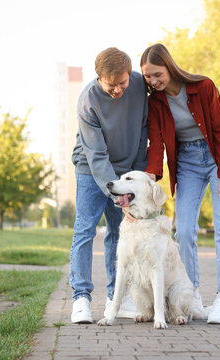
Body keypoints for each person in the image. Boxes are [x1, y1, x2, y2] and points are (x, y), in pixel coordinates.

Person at [140, 43, 220, 324]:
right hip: (186, 163)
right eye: (148, 77)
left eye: (157, 74)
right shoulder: (155, 102)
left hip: (215, 160)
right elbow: (156, 142)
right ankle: (194, 297)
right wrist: (151, 175)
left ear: (169, 67)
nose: (153, 81)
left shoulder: (203, 87)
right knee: (184, 230)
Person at [69, 47, 148, 324]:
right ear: (99, 78)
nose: (117, 90)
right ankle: (81, 299)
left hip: (125, 170)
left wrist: (135, 181)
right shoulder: (88, 101)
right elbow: (97, 156)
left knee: (119, 233)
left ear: (130, 74)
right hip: (91, 170)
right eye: (110, 84)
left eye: (122, 83)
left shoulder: (139, 85)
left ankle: (117, 298)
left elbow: (142, 131)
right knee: (85, 229)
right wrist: (119, 196)